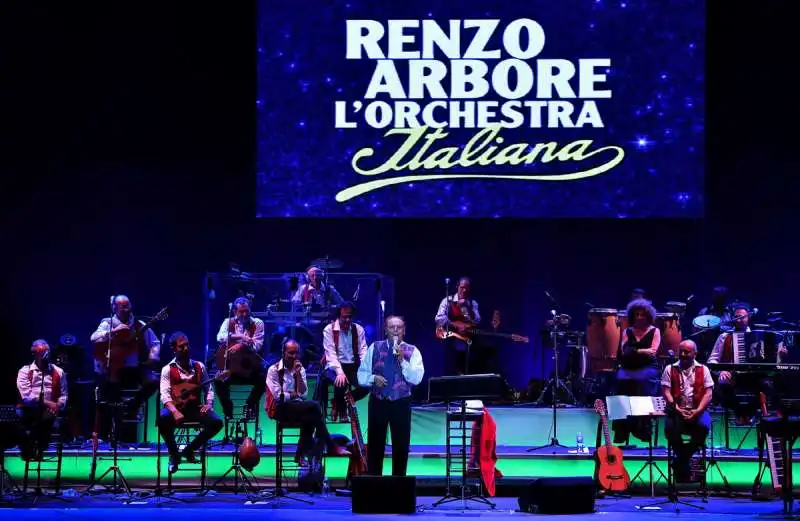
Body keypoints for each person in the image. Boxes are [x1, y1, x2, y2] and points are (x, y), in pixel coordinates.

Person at [358, 316, 425, 477]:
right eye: (391, 327)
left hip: (401, 403)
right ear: (385, 330)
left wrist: (402, 360)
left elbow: (416, 378)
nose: (395, 330)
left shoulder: (412, 351)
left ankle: (399, 488)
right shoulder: (375, 347)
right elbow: (361, 375)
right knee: (375, 447)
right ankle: (374, 486)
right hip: (378, 402)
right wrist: (373, 379)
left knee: (401, 447)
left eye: (399, 327)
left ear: (404, 330)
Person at [266, 339, 350, 465]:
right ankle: (329, 447)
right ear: (283, 353)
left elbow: (303, 394)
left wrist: (298, 375)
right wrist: (293, 395)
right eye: (291, 353)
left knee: (311, 415)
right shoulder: (274, 370)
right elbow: (278, 397)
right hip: (280, 409)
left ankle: (301, 455)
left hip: (298, 407)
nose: (294, 356)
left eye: (296, 353)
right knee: (314, 407)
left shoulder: (301, 369)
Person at [707, 305, 788, 423]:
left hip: (754, 376)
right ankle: (741, 414)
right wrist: (721, 371)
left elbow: (774, 364)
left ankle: (746, 414)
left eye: (742, 317)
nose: (738, 320)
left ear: (748, 318)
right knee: (722, 385)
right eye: (736, 317)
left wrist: (781, 356)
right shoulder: (724, 336)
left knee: (768, 386)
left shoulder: (761, 335)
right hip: (733, 375)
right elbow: (712, 360)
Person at [157, 332, 224, 473]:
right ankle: (174, 454)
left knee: (216, 422)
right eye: (182, 347)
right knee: (162, 419)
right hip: (176, 408)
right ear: (174, 349)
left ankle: (190, 449)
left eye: (187, 345)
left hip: (194, 408)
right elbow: (165, 395)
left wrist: (209, 404)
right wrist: (174, 412)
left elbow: (209, 388)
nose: (186, 349)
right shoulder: (167, 370)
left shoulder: (199, 366)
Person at [90, 295, 161, 418]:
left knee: (154, 381)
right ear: (114, 308)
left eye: (127, 305)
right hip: (111, 370)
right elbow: (94, 338)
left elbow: (155, 343)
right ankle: (113, 419)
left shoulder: (139, 325)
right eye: (122, 306)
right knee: (102, 392)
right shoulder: (108, 323)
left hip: (133, 369)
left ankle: (133, 405)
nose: (125, 309)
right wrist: (112, 332)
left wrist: (152, 356)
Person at [661, 340, 714, 482]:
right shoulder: (669, 369)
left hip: (697, 410)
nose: (683, 354)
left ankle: (681, 461)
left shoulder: (704, 369)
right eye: (681, 351)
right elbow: (666, 392)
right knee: (670, 429)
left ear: (694, 353)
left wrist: (697, 411)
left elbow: (709, 394)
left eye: (687, 352)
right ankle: (685, 463)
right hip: (676, 411)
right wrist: (678, 410)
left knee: (703, 427)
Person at [612, 299, 662, 444]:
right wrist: (641, 351)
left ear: (649, 316)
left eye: (643, 315)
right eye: (637, 314)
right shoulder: (627, 331)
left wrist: (634, 350)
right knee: (620, 380)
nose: (640, 317)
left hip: (648, 367)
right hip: (628, 367)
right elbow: (624, 350)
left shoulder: (655, 331)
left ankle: (642, 428)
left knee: (643, 382)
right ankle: (622, 431)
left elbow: (652, 352)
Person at [214, 296, 266, 420]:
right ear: (235, 312)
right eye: (241, 311)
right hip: (231, 370)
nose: (244, 314)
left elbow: (257, 346)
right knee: (218, 380)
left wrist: (242, 346)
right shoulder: (228, 321)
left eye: (246, 311)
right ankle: (228, 409)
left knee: (264, 379)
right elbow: (219, 337)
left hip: (250, 368)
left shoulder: (258, 323)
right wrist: (240, 337)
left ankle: (249, 406)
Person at [16, 340, 68, 460]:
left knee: (47, 417)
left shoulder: (59, 372)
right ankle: (33, 445)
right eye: (42, 352)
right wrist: (49, 403)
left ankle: (38, 445)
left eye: (47, 351)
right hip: (28, 409)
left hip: (50, 411)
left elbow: (64, 395)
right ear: (34, 354)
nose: (46, 355)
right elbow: (27, 397)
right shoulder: (25, 371)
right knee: (22, 417)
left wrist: (58, 405)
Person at [321, 302, 369, 421]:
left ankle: (343, 400)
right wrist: (339, 372)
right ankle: (341, 409)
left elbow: (363, 350)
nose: (347, 319)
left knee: (367, 384)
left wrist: (365, 369)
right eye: (344, 317)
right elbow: (330, 354)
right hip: (333, 366)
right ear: (338, 316)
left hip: (352, 366)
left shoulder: (358, 329)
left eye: (350, 316)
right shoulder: (329, 330)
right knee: (341, 381)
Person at [435, 277, 481, 375]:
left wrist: (468, 309)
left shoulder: (472, 303)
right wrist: (454, 324)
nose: (464, 290)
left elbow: (477, 320)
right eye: (462, 287)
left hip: (467, 340)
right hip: (451, 339)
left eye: (467, 288)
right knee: (452, 367)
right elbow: (439, 318)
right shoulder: (447, 300)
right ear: (457, 286)